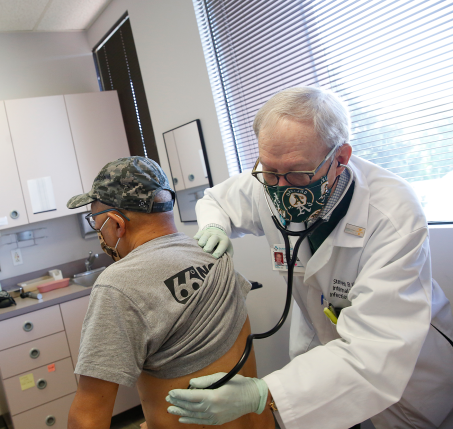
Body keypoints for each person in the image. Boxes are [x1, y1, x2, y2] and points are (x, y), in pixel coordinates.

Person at [166, 86, 453, 429]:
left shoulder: (391, 212)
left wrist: (261, 393)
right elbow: (218, 200)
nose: (282, 187)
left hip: (404, 361)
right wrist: (215, 227)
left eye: (300, 174)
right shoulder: (268, 181)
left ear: (340, 158)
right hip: (322, 339)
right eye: (271, 172)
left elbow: (375, 349)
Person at [65, 156, 274, 429]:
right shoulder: (212, 251)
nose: (99, 233)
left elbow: (88, 417)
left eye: (97, 221)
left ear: (117, 224)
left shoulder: (118, 285)